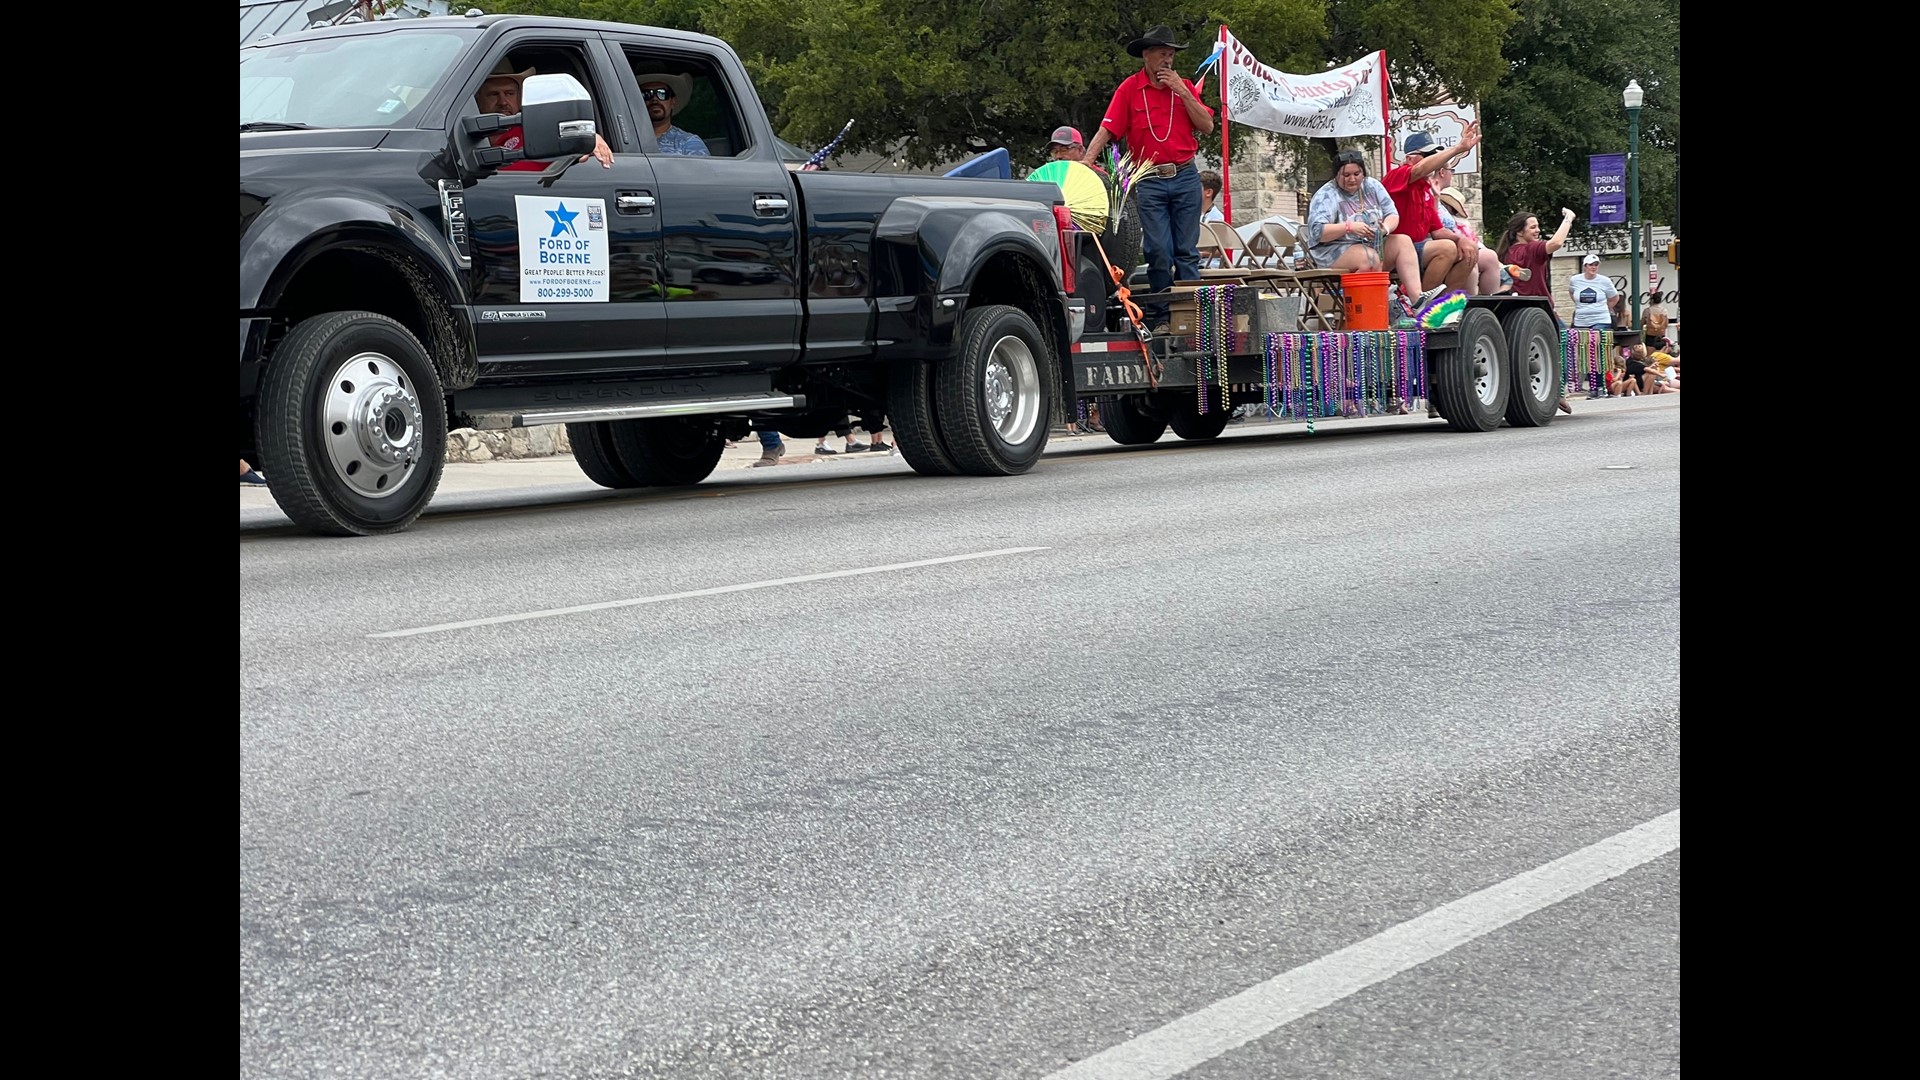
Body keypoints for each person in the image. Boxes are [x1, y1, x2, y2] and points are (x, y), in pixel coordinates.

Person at [1082, 26, 1216, 333]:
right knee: (1158, 250)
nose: (1167, 60)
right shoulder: (1130, 88)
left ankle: (1192, 319)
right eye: (1162, 54)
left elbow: (1207, 125)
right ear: (1146, 56)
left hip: (1183, 175)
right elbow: (1108, 129)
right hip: (1149, 179)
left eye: (1171, 55)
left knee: (1186, 251)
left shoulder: (1183, 87)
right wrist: (1086, 162)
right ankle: (1161, 319)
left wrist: (1183, 91)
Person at [1383, 127, 1479, 313]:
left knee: (1468, 251)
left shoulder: (1425, 188)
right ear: (1410, 158)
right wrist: (1458, 148)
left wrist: (1462, 239)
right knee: (1447, 248)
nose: (1435, 159)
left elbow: (1437, 230)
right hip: (1393, 248)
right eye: (1427, 154)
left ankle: (1442, 310)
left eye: (1434, 154)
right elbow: (1419, 170)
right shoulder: (1399, 174)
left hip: (1415, 249)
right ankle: (1418, 307)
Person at [1498, 206, 1579, 413]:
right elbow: (1557, 243)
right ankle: (1557, 390)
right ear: (1519, 232)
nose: (1537, 230)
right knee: (1565, 343)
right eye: (1533, 227)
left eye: (1538, 227)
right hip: (1538, 310)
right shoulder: (1530, 249)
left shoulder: (1508, 253)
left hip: (1514, 309)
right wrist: (1568, 219)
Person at [1305, 150, 1421, 293]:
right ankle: (1366, 307)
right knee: (1369, 258)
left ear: (1363, 173)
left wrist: (1384, 228)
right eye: (1346, 175)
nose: (1352, 179)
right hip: (1334, 249)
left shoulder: (1372, 185)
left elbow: (1392, 214)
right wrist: (1349, 227)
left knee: (1403, 241)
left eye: (1357, 174)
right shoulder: (1326, 195)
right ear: (1336, 175)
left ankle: (1417, 300)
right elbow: (1318, 232)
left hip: (1372, 244)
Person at [474, 60, 613, 171]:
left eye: (510, 93)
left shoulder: (537, 130)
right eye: (493, 94)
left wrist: (590, 138)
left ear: (519, 97)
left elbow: (570, 139)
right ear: (478, 99)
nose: (503, 102)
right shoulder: (463, 135)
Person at [1431, 177, 1503, 295]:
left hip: (1456, 242)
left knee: (1489, 257)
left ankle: (1490, 300)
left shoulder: (1460, 221)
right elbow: (1435, 228)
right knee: (1469, 258)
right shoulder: (1433, 201)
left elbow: (1474, 241)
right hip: (1442, 243)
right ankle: (1470, 304)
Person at [634, 73, 709, 156]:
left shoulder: (689, 143)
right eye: (646, 94)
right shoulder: (624, 140)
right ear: (638, 101)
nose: (654, 99)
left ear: (672, 102)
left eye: (662, 93)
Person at [1569, 254, 1623, 331]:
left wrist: (1603, 307)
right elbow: (1571, 292)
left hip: (1600, 320)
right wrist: (1580, 304)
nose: (1593, 267)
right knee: (1582, 342)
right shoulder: (1575, 280)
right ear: (1585, 266)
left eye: (1596, 265)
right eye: (1590, 265)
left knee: (1594, 341)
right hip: (1580, 321)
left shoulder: (1605, 281)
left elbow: (1614, 298)